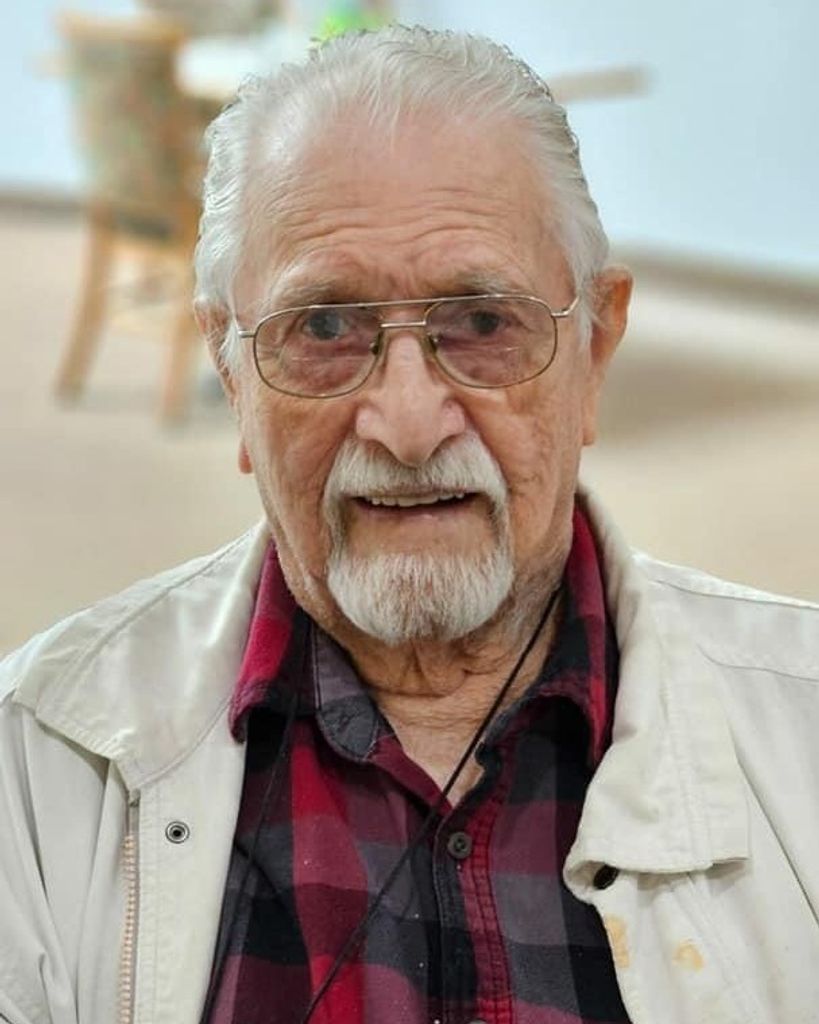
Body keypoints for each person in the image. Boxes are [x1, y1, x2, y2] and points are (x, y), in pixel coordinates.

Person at [1, 25, 817, 1024]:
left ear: (595, 351)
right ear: (230, 369)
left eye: (482, 324)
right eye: (323, 328)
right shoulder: (34, 769)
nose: (408, 424)